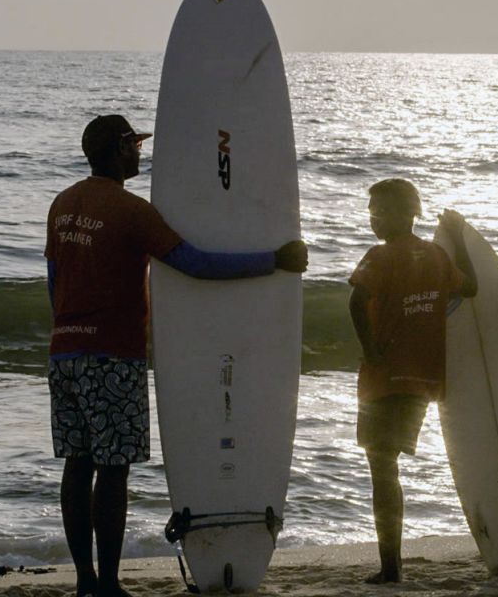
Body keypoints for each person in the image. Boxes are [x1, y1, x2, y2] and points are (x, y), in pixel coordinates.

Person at [45, 114, 307, 597]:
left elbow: (53, 280)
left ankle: (84, 582)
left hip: (64, 353)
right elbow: (195, 264)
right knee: (113, 468)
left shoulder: (62, 205)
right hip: (111, 356)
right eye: (135, 146)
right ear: (120, 150)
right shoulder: (130, 211)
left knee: (77, 466)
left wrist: (71, 326)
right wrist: (273, 260)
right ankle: (106, 584)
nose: (140, 153)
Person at [348, 178, 477, 584]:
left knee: (382, 471)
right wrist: (458, 237)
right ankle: (392, 565)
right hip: (421, 379)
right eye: (373, 212)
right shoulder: (437, 255)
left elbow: (355, 301)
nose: (376, 219)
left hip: (384, 378)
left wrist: (370, 350)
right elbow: (471, 287)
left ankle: (391, 568)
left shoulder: (380, 256)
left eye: (384, 211)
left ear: (410, 213)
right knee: (388, 468)